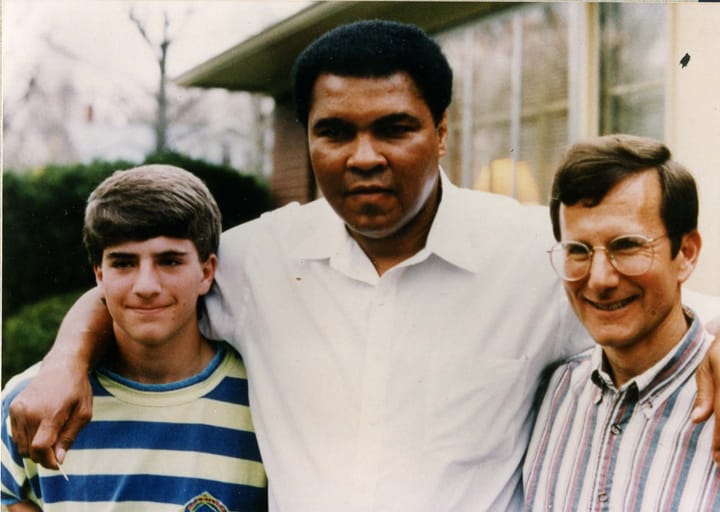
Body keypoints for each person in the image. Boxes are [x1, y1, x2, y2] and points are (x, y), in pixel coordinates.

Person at [7, 20, 720, 511]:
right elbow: (147, 291)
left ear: (442, 133)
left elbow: (659, 306)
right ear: (311, 138)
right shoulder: (260, 258)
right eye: (336, 132)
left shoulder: (531, 255)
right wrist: (67, 355)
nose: (365, 156)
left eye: (395, 127)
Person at [1, 165, 267, 511]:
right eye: (123, 263)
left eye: (169, 261)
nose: (145, 286)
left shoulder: (260, 399)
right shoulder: (33, 402)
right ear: (99, 275)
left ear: (206, 272)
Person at [523, 135, 720, 510]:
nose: (599, 279)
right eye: (577, 250)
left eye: (627, 246)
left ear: (687, 254)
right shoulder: (552, 392)